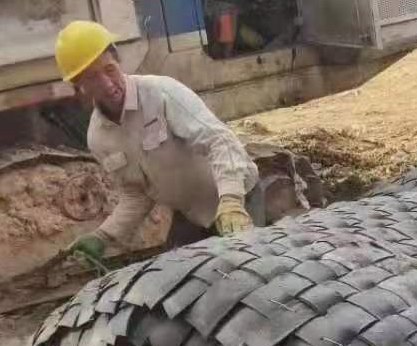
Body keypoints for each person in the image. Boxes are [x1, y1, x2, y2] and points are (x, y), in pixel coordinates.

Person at [55, 21, 262, 263]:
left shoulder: (161, 93)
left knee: (247, 269)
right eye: (92, 78)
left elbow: (220, 141)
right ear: (78, 85)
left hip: (238, 196)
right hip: (193, 214)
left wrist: (231, 200)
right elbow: (137, 193)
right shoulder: (99, 138)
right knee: (177, 275)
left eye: (109, 70)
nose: (108, 84)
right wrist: (103, 236)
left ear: (118, 60)